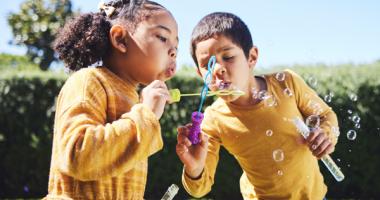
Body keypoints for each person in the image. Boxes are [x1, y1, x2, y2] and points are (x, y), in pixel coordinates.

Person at [176, 12, 339, 200]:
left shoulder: (287, 83)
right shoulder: (213, 120)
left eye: (228, 57)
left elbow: (326, 115)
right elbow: (199, 189)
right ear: (199, 74)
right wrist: (194, 168)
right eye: (207, 65)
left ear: (251, 57)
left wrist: (325, 134)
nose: (218, 69)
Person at [44, 0, 178, 199]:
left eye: (176, 45)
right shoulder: (88, 82)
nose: (173, 51)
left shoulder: (135, 100)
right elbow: (78, 155)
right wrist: (144, 116)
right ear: (120, 39)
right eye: (162, 37)